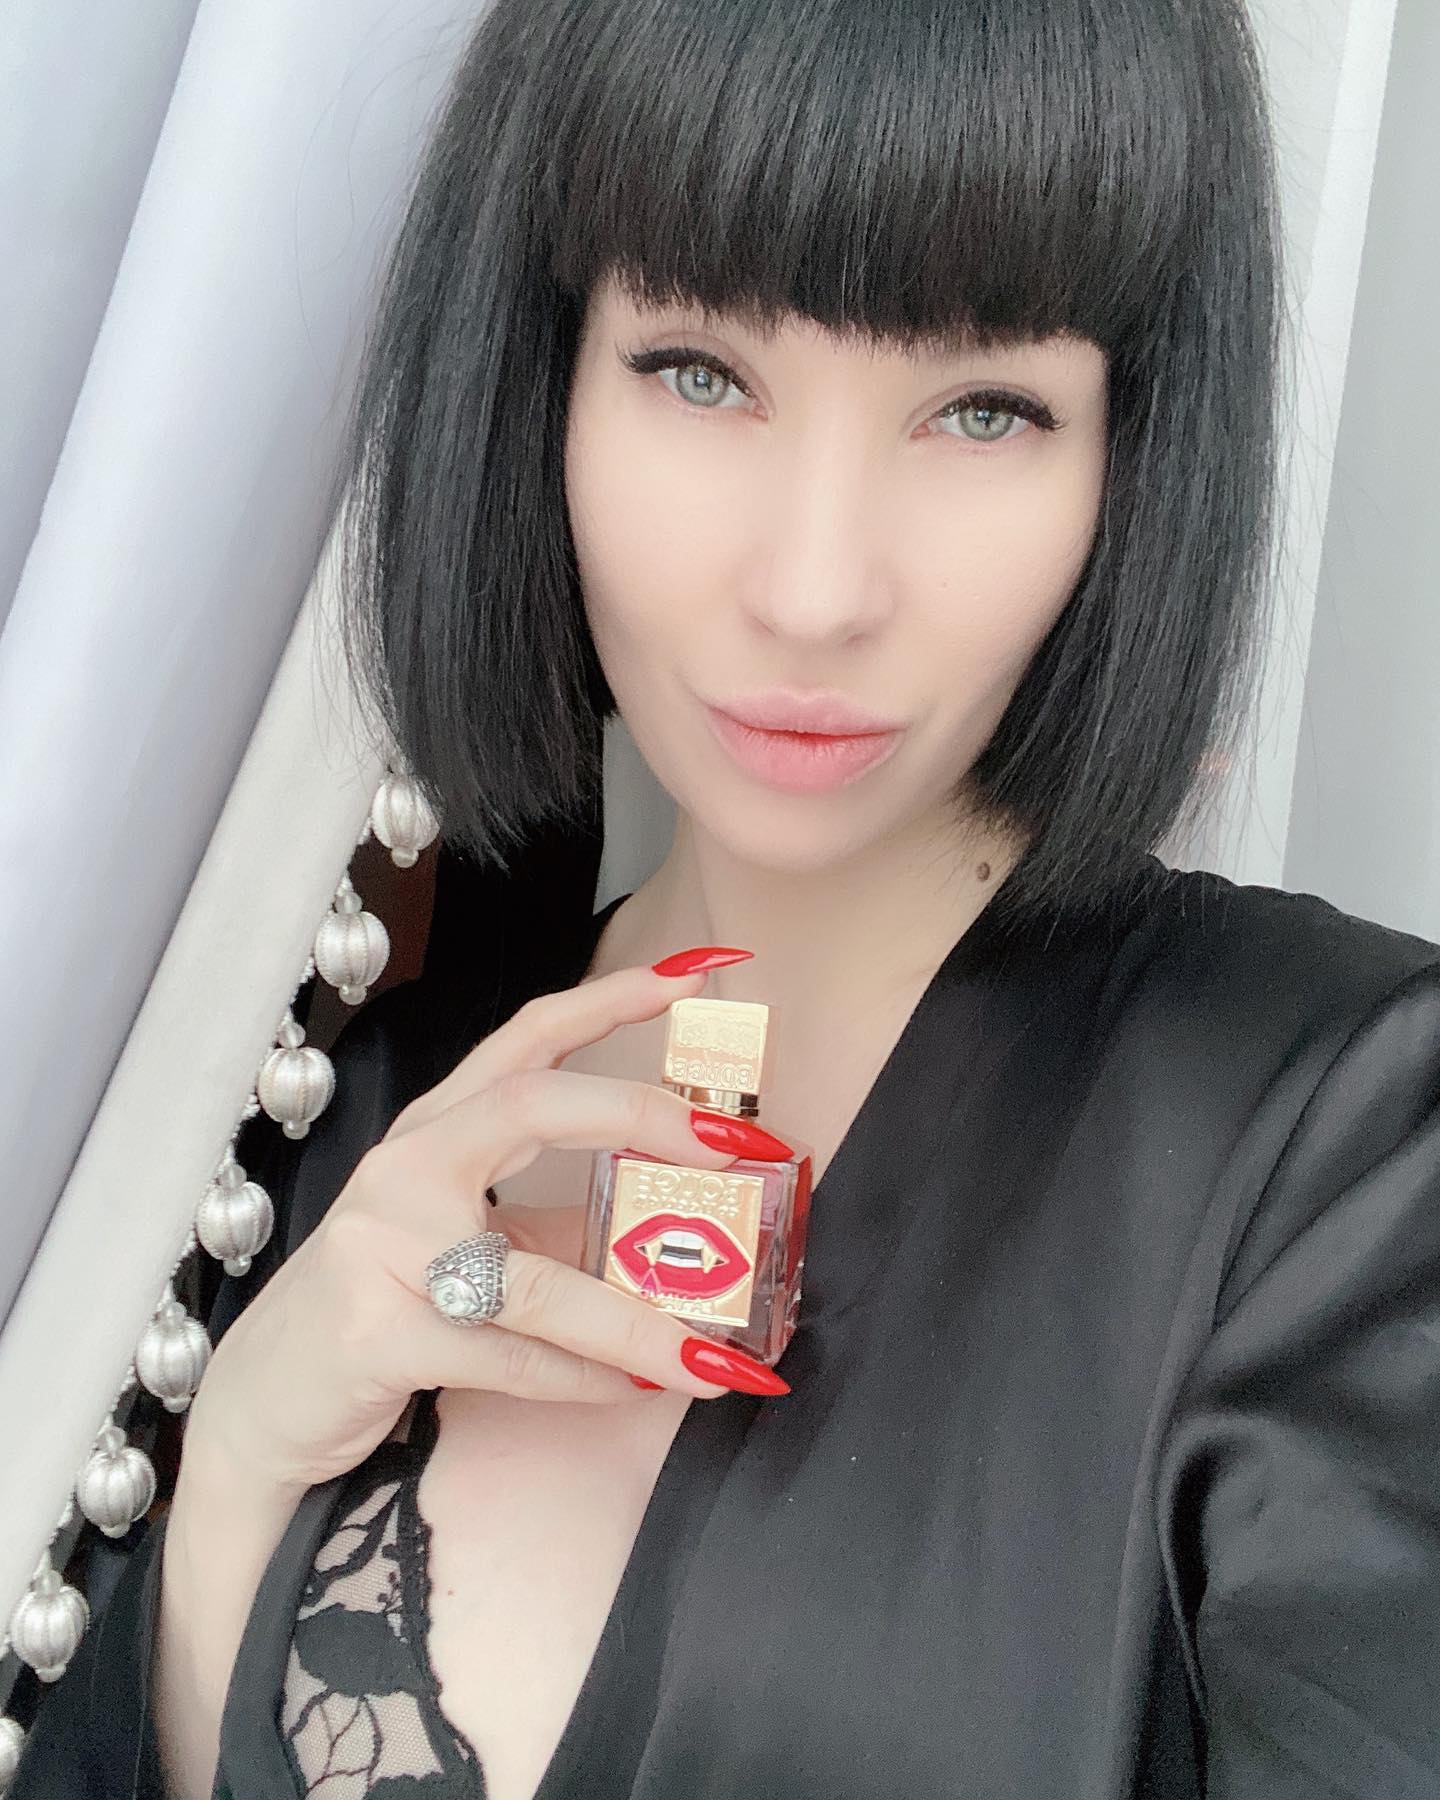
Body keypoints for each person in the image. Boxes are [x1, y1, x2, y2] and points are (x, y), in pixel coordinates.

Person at [12, 0, 1440, 1794]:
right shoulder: (331, 1113)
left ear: (1130, 453)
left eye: (983, 409)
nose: (816, 588)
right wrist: (231, 1485)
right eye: (699, 372)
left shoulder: (1348, 1156)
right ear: (543, 373)